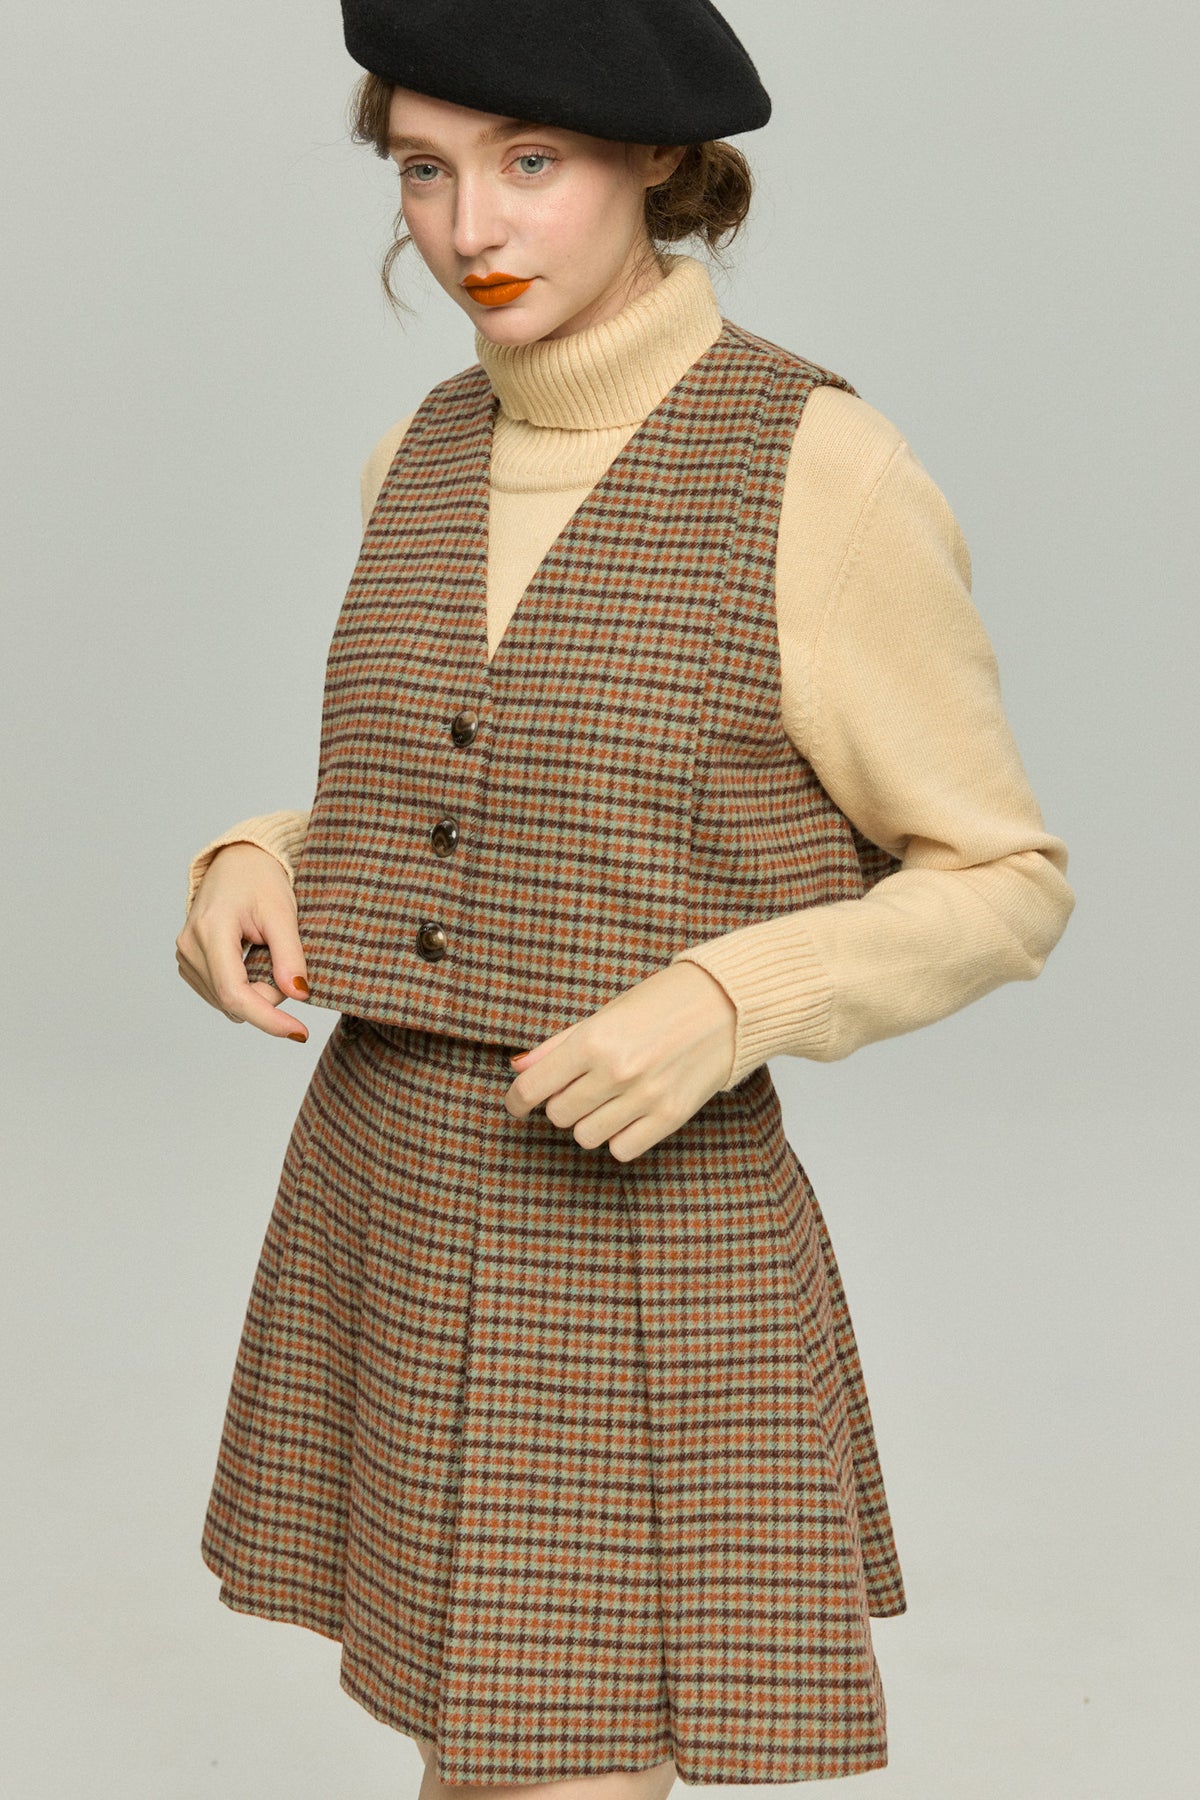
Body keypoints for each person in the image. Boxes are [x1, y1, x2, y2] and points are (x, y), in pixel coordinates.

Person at [176, 1, 1075, 1791]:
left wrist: (734, 1000)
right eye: (423, 171)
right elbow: (463, 791)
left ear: (662, 160)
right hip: (388, 1183)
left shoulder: (821, 470)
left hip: (633, 1233)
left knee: (561, 1765)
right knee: (473, 1760)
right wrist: (260, 851)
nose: (471, 229)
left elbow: (1004, 882)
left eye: (532, 162)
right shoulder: (420, 451)